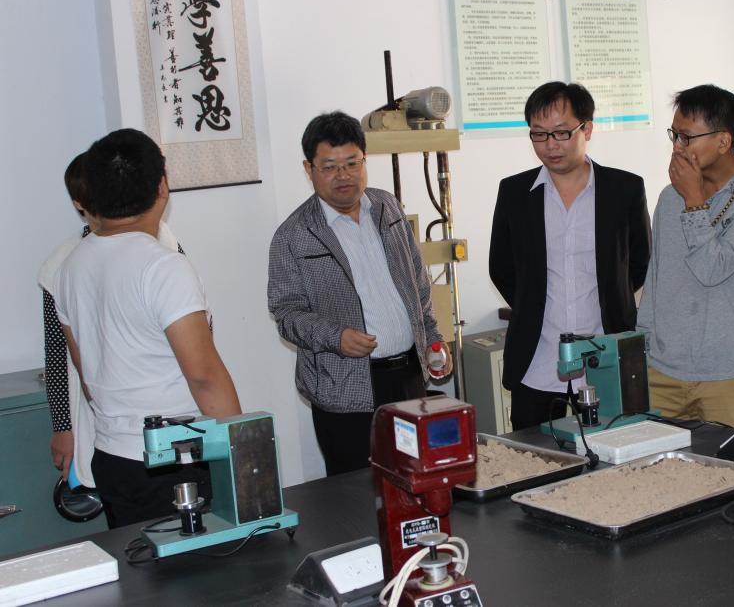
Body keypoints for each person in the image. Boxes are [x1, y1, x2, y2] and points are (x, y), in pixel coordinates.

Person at [53, 129, 240, 528]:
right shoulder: (164, 266)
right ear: (162, 186)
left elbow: (87, 377)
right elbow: (204, 377)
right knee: (199, 567)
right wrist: (241, 455)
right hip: (172, 460)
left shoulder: (71, 266)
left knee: (138, 564)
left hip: (111, 457)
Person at [268, 111, 450, 475]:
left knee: (418, 479)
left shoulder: (388, 208)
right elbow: (286, 313)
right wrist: (335, 337)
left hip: (408, 378)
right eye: (330, 167)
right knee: (356, 492)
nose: (344, 175)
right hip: (346, 390)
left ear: (365, 160)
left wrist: (432, 337)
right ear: (309, 169)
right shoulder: (294, 235)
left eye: (353, 163)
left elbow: (417, 281)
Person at [489, 82, 651, 430]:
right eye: (539, 134)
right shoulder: (515, 192)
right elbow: (501, 267)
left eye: (561, 133)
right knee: (533, 455)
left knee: (612, 450)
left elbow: (639, 261)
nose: (550, 145)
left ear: (587, 129)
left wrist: (612, 298)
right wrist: (533, 305)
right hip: (537, 359)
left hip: (605, 355)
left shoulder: (624, 189)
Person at [636, 85, 734, 429]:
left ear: (723, 141)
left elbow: (712, 269)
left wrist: (694, 202)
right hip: (663, 372)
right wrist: (644, 350)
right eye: (674, 135)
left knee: (732, 463)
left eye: (686, 137)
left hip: (729, 372)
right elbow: (657, 280)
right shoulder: (670, 198)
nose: (677, 147)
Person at [39, 153, 186, 488]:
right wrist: (63, 427)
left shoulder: (165, 245)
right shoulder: (60, 264)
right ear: (79, 203)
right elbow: (57, 351)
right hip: (105, 413)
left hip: (169, 405)